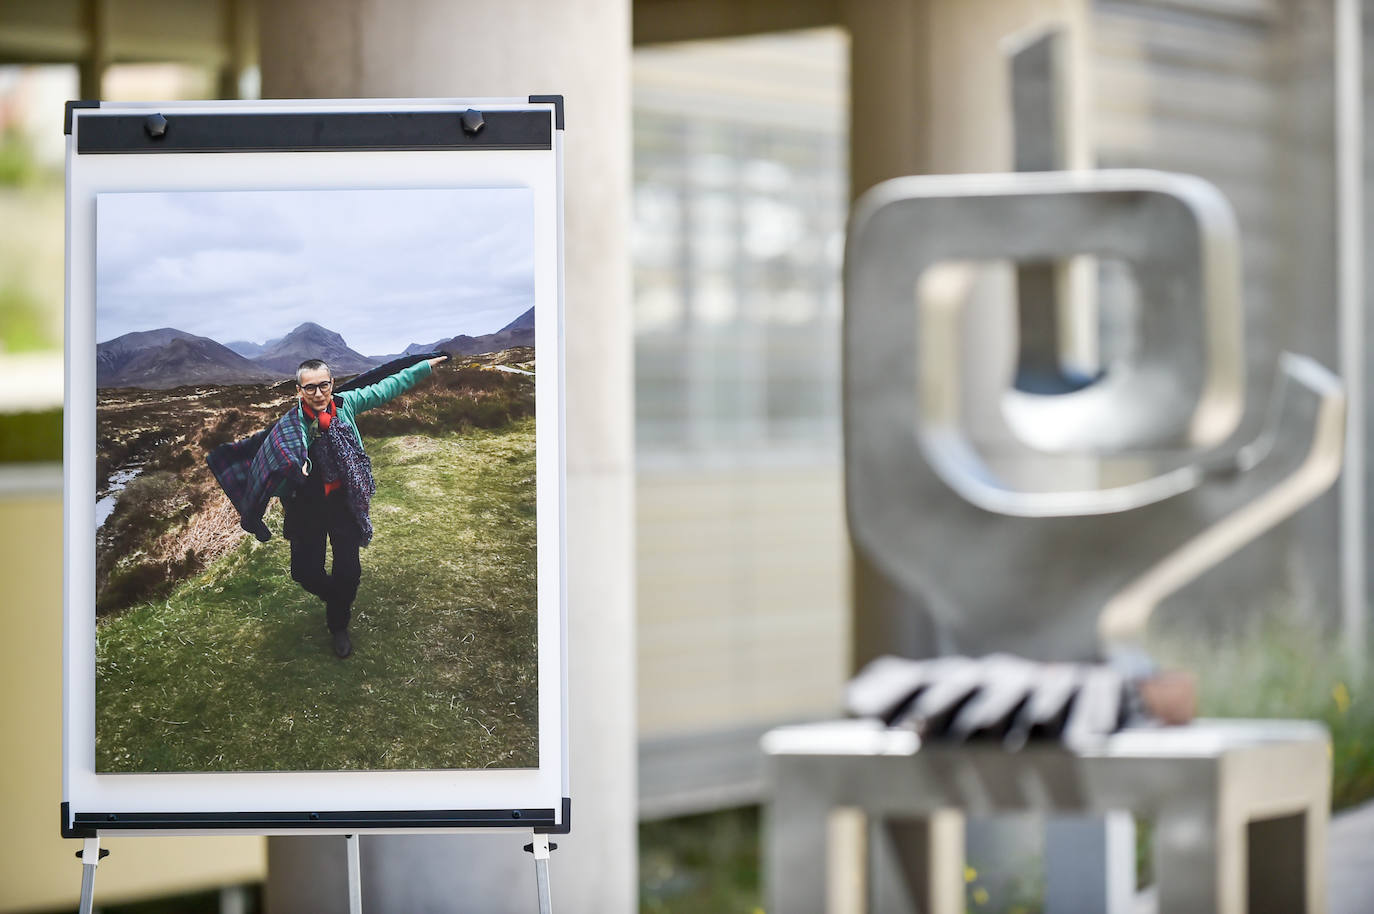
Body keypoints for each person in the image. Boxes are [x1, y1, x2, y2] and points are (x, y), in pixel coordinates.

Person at [207, 354, 447, 658]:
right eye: (310, 388)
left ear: (332, 384)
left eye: (323, 385)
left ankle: (338, 625)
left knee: (349, 572)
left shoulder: (347, 403)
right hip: (306, 507)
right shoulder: (290, 428)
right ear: (299, 391)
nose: (318, 393)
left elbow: (388, 385)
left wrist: (424, 366)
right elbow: (273, 469)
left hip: (343, 503)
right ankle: (338, 598)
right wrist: (294, 471)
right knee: (304, 572)